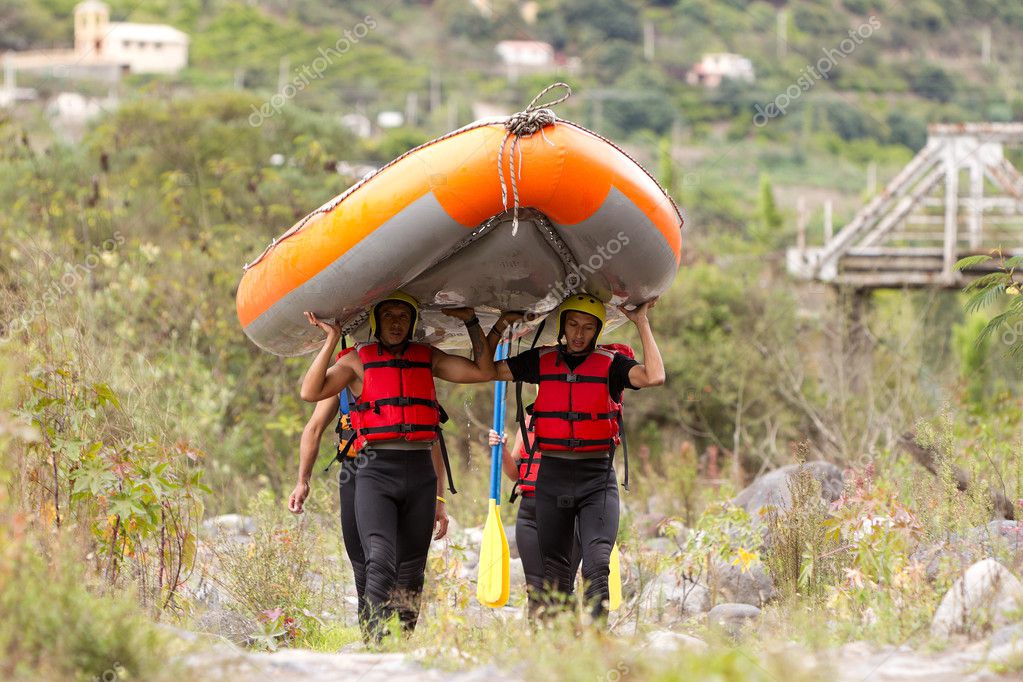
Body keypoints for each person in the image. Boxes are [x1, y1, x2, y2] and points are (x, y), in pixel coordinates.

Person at [300, 291, 494, 641]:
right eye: (388, 315)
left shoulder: (427, 358)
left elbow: (482, 371)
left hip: (419, 473)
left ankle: (400, 648)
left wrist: (471, 320)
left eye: (403, 316)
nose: (395, 322)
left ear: (413, 323)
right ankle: (373, 646)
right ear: (376, 322)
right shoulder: (356, 361)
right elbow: (310, 392)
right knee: (378, 559)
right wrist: (330, 339)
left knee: (412, 570)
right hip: (372, 470)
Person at [493, 293, 664, 622]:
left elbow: (654, 376)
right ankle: (560, 643)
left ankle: (597, 639)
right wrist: (495, 325)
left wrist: (640, 321)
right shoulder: (541, 361)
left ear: (598, 331)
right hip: (552, 480)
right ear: (562, 325)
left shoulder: (612, 366)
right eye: (572, 324)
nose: (579, 333)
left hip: (596, 479)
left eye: (588, 327)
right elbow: (486, 370)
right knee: (555, 574)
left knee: (598, 563)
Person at [287, 345, 450, 639]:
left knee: (408, 565)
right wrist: (303, 481)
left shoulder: (408, 372)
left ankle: (400, 639)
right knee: (366, 563)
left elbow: (431, 437)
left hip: (410, 471)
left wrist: (439, 498)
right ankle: (373, 637)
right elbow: (313, 429)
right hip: (358, 474)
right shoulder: (348, 375)